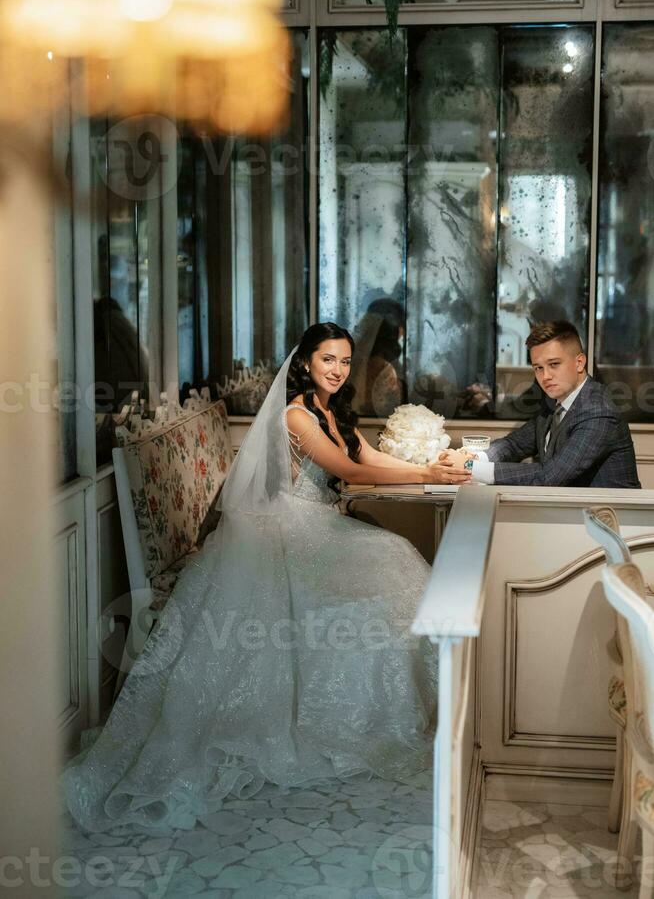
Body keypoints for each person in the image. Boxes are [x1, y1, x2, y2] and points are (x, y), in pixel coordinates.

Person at [61, 323, 470, 832]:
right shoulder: (297, 414)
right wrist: (427, 477)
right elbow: (348, 469)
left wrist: (430, 465)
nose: (338, 370)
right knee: (393, 561)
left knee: (398, 559)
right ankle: (350, 724)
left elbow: (365, 455)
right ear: (305, 362)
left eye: (345, 361)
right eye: (328, 360)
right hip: (289, 526)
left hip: (319, 522)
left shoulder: (331, 407)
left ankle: (411, 715)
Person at [444, 321, 640, 488]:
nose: (545, 377)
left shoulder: (599, 413)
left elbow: (550, 476)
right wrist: (477, 457)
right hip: (572, 513)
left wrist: (470, 467)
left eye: (554, 364)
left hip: (612, 522)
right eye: (538, 368)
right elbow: (515, 444)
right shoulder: (554, 400)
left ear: (579, 363)